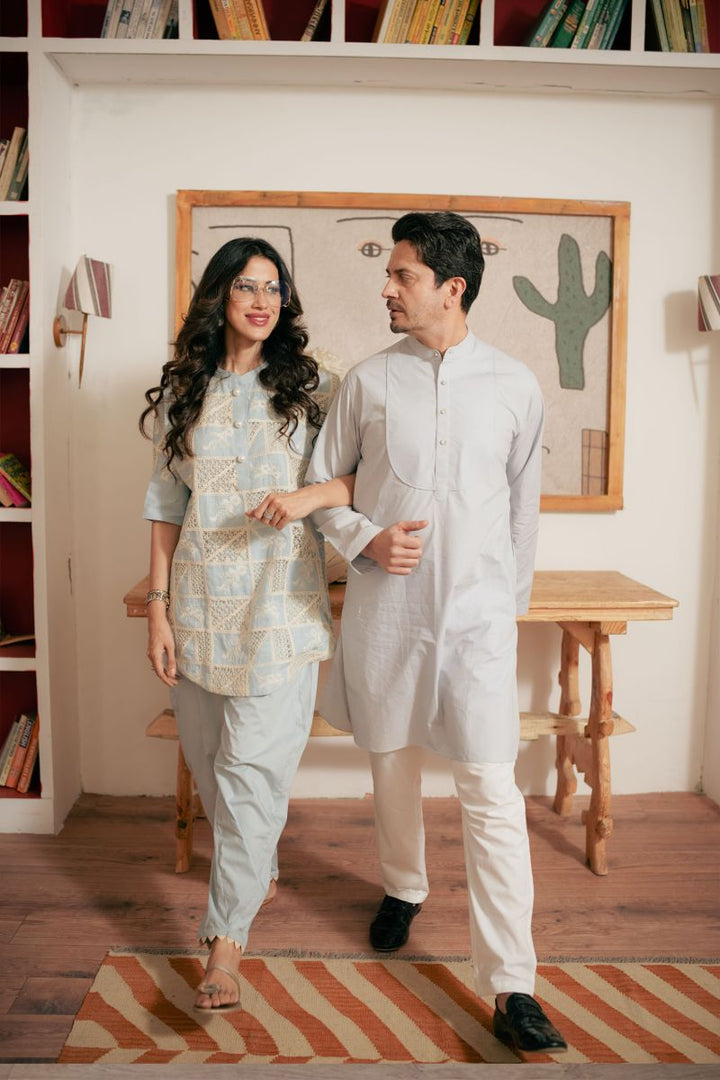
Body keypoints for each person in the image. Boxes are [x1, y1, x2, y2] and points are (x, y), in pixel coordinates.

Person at [305, 211, 567, 1054]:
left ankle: (513, 984)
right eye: (389, 272)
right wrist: (365, 540)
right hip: (387, 611)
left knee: (491, 790)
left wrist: (505, 610)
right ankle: (403, 887)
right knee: (392, 763)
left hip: (478, 625)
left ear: (452, 287)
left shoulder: (516, 385)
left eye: (403, 274)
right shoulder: (368, 382)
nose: (387, 286)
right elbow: (322, 486)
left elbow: (522, 513)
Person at [140, 237, 353, 1013]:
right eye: (245, 287)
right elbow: (166, 505)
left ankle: (224, 945)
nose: (262, 301)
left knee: (250, 776)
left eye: (273, 287)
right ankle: (256, 868)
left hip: (280, 612)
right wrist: (157, 608)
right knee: (210, 767)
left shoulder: (314, 386)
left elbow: (366, 474)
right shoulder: (185, 390)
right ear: (220, 296)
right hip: (199, 609)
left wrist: (306, 498)